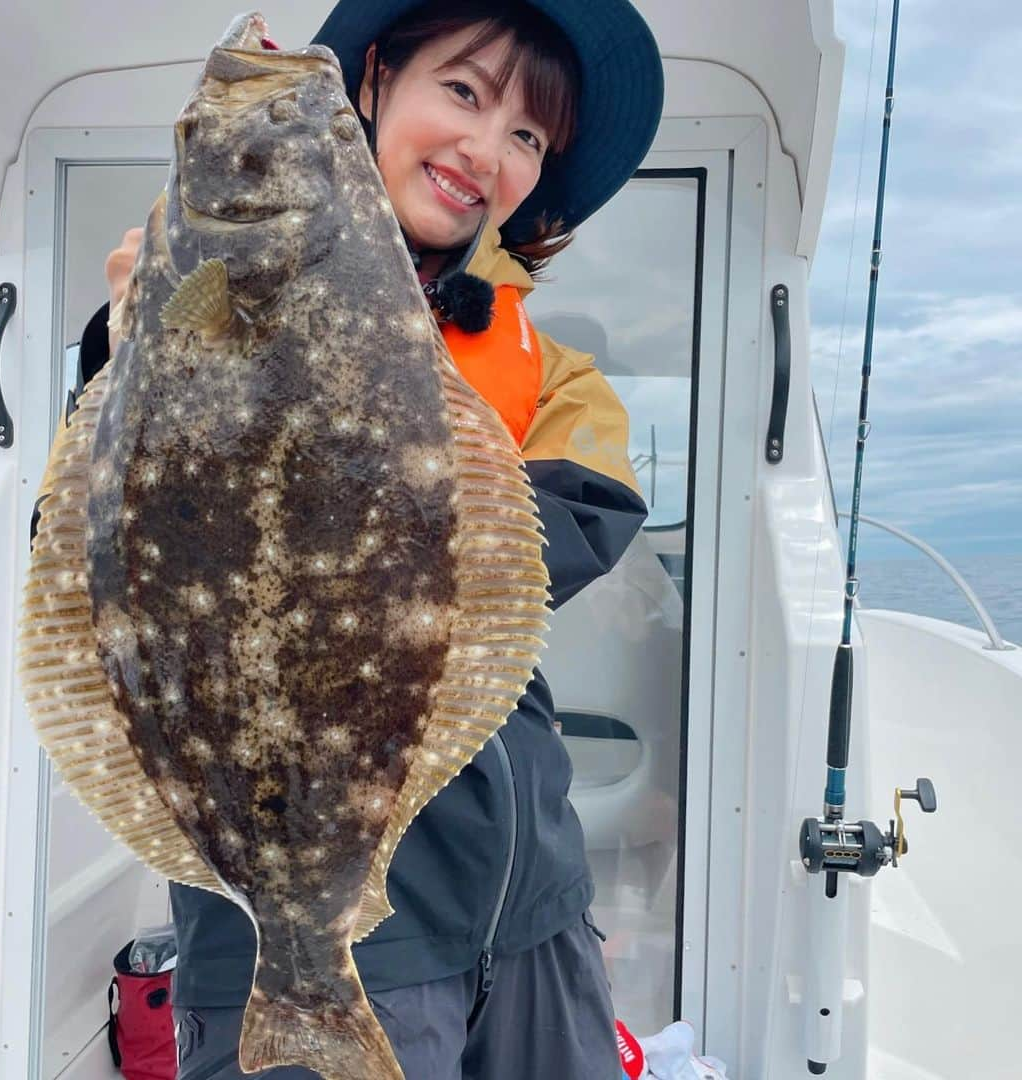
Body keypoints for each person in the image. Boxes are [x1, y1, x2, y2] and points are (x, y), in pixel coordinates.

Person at [87, 1, 663, 1076]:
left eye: (529, 137)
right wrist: (129, 367)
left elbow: (571, 532)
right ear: (372, 85)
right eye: (463, 92)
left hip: (527, 905)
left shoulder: (551, 373)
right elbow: (91, 565)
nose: (487, 150)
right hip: (291, 923)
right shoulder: (184, 308)